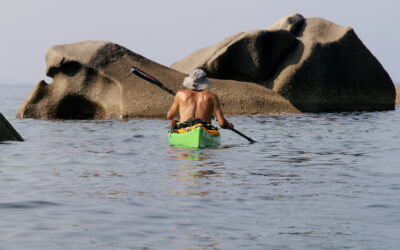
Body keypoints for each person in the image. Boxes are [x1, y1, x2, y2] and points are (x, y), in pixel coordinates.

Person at [167, 69, 234, 130]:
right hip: (204, 128)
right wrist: (229, 125)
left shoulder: (180, 94)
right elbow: (222, 124)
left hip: (185, 128)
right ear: (204, 82)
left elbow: (170, 116)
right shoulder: (212, 96)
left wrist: (181, 118)